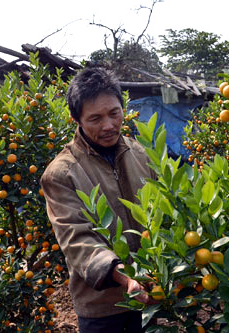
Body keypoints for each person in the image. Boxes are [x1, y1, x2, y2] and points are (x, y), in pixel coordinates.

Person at [40, 66, 157, 333]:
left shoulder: (140, 153)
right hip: (102, 305)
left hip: (150, 291)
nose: (108, 125)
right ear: (76, 119)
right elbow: (77, 239)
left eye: (114, 113)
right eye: (95, 118)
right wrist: (122, 276)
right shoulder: (61, 174)